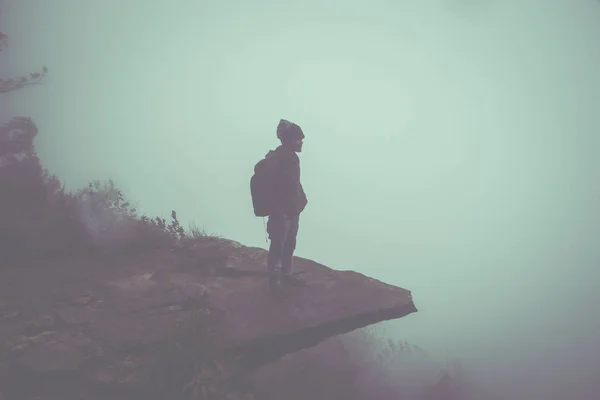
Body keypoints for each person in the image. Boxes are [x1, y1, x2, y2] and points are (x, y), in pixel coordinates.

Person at [265, 119, 308, 294]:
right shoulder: (278, 159)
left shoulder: (291, 158)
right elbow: (274, 187)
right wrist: (280, 210)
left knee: (289, 243)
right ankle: (274, 281)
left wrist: (300, 201)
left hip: (291, 210)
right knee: (278, 245)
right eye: (299, 139)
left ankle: (286, 274)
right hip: (281, 212)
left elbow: (293, 183)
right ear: (290, 140)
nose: (302, 142)